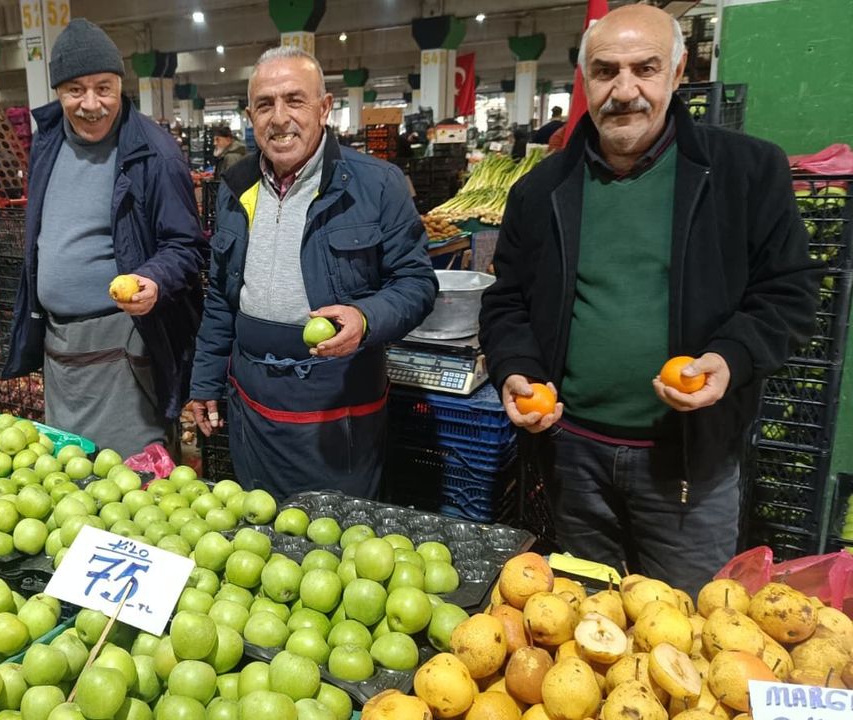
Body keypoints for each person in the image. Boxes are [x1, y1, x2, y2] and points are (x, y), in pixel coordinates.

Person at [479, 4, 822, 595]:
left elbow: (788, 294)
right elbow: (506, 300)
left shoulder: (744, 172)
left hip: (689, 465)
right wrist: (517, 369)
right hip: (573, 460)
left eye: (645, 68)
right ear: (585, 79)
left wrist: (731, 358)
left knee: (686, 631)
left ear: (678, 73)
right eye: (607, 71)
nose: (625, 90)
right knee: (588, 624)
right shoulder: (542, 190)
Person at [189, 47, 438, 499]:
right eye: (265, 104)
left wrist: (365, 319)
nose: (279, 117)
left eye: (295, 100)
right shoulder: (232, 188)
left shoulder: (377, 184)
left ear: (324, 108)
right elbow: (221, 299)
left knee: (335, 540)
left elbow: (417, 283)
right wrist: (205, 380)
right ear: (250, 115)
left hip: (338, 413)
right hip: (253, 407)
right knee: (258, 527)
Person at [2, 18, 205, 457]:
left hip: (125, 348)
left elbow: (186, 247)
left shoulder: (154, 153)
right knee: (70, 467)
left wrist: (154, 279)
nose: (90, 104)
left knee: (131, 479)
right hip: (59, 349)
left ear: (120, 86)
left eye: (103, 88)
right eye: (75, 90)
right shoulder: (48, 142)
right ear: (57, 91)